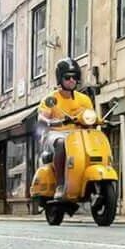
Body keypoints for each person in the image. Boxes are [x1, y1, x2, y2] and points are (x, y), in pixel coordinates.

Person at [37, 57, 94, 200]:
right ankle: (60, 184)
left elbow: (91, 115)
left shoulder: (84, 99)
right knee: (62, 143)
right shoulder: (52, 98)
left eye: (75, 77)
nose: (72, 80)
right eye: (67, 77)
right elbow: (41, 116)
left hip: (79, 135)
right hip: (56, 134)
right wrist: (49, 122)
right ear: (60, 79)